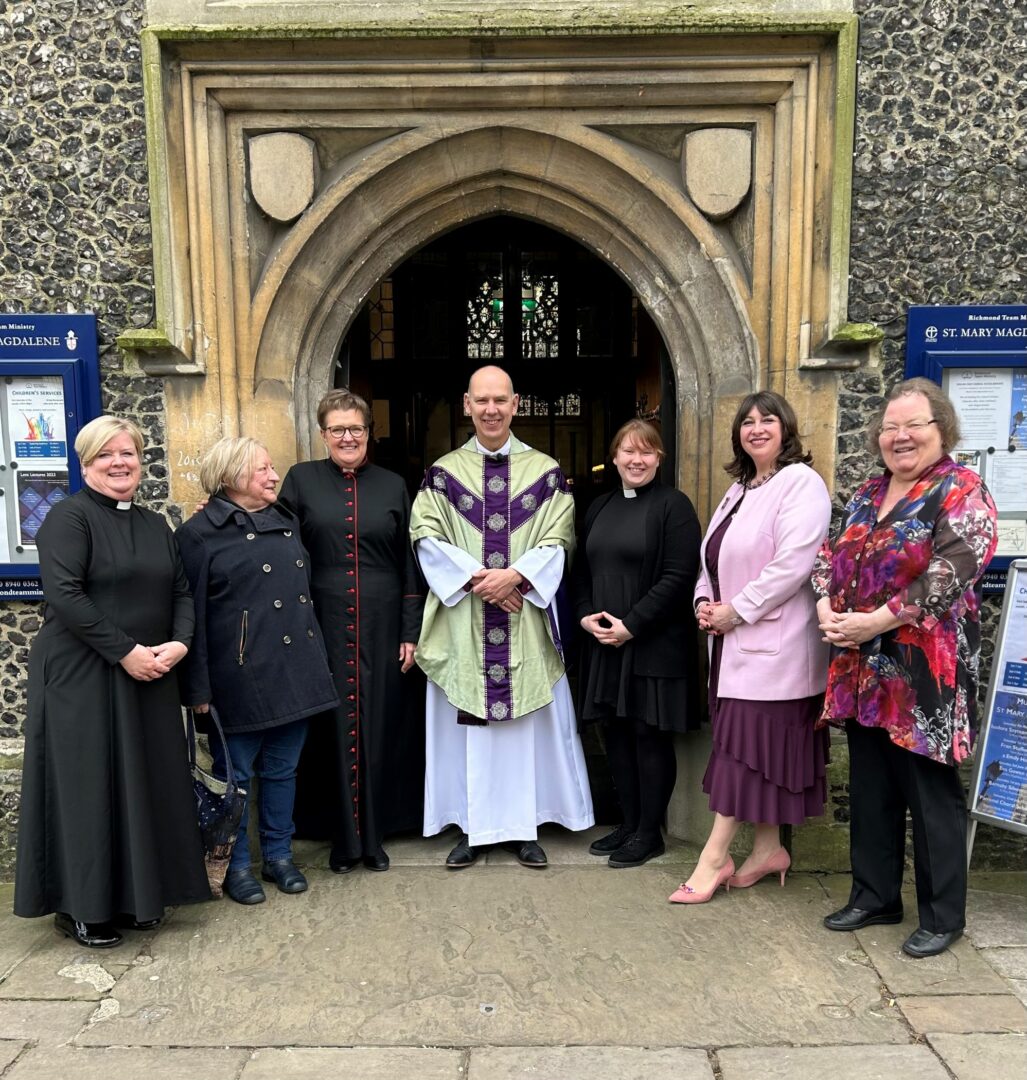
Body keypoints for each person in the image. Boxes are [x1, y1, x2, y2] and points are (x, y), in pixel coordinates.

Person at [814, 377, 998, 958]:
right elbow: (830, 555)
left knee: (929, 790)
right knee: (870, 786)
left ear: (941, 429)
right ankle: (875, 896)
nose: (900, 437)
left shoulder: (961, 489)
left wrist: (875, 621)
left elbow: (953, 569)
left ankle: (943, 915)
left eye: (914, 425)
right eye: (891, 427)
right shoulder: (869, 492)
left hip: (925, 672)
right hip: (864, 668)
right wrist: (826, 603)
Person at [13, 416, 210, 947]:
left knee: (140, 783)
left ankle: (137, 897)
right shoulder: (67, 519)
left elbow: (183, 592)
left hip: (150, 669)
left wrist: (180, 643)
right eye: (106, 455)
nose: (120, 463)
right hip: (83, 673)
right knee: (88, 786)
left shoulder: (153, 523)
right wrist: (125, 652)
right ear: (85, 463)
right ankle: (81, 907)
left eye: (129, 453)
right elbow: (66, 595)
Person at [411, 365, 594, 868]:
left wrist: (517, 578)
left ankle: (523, 825)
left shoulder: (547, 473)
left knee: (523, 732)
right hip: (464, 621)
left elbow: (559, 539)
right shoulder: (441, 475)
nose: (491, 410)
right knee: (466, 729)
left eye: (500, 400)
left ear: (516, 404)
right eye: (481, 400)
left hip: (525, 621)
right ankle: (470, 826)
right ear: (466, 405)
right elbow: (425, 536)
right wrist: (480, 580)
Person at [670, 391, 832, 905]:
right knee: (756, 753)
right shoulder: (737, 489)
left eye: (767, 420)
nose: (756, 428)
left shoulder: (801, 484)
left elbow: (793, 564)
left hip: (777, 649)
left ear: (786, 429)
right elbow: (710, 561)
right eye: (747, 421)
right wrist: (703, 601)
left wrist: (734, 610)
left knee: (742, 753)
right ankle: (768, 851)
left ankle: (714, 858)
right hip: (733, 642)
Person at [176, 437, 339, 905]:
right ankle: (237, 866)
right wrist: (197, 688)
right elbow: (192, 617)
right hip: (239, 677)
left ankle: (280, 856)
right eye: (263, 470)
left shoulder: (284, 519)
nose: (273, 476)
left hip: (296, 670)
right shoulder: (198, 534)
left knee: (284, 770)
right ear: (230, 478)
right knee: (237, 776)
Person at [279, 389, 425, 873]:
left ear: (368, 433)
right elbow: (278, 549)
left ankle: (376, 834)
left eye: (356, 429)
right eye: (337, 429)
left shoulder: (394, 484)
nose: (347, 437)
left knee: (381, 725)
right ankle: (341, 837)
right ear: (322, 434)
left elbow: (411, 564)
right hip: (321, 619)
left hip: (384, 624)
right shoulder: (300, 480)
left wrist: (411, 630)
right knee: (331, 728)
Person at [572, 419, 701, 868]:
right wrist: (586, 615)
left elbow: (678, 576)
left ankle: (650, 833)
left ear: (659, 458)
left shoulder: (674, 506)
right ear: (614, 457)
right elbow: (581, 571)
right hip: (605, 641)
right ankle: (628, 824)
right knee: (617, 733)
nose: (636, 459)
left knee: (648, 735)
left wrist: (633, 624)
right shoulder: (599, 507)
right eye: (628, 451)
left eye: (646, 452)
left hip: (652, 641)